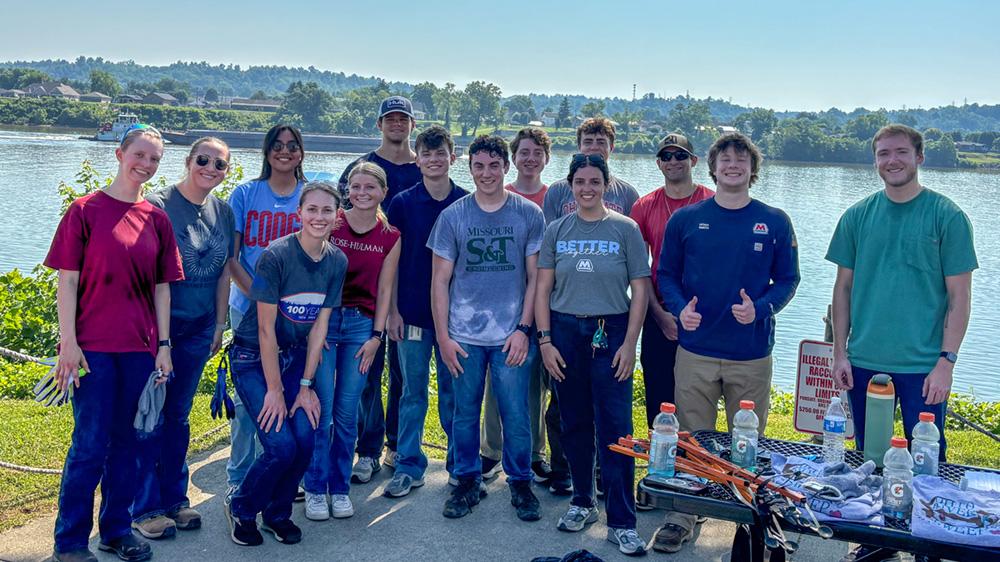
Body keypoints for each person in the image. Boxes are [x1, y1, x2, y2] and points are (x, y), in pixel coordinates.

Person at [827, 124, 977, 562]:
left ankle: (930, 540)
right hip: (866, 360)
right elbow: (842, 290)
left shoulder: (946, 216)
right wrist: (840, 351)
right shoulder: (857, 216)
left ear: (919, 157)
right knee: (870, 458)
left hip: (923, 365)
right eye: (882, 154)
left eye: (900, 153)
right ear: (874, 160)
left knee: (926, 455)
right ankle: (876, 538)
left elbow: (959, 296)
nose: (891, 161)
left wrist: (946, 361)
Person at [46, 124, 183, 562]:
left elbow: (164, 289)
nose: (145, 165)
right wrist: (68, 343)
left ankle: (116, 530)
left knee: (129, 444)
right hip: (92, 350)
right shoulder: (84, 210)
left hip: (139, 350)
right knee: (89, 445)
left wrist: (164, 345)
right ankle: (70, 541)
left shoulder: (157, 219)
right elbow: (67, 282)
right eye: (139, 155)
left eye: (154, 159)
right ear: (120, 154)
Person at [535, 153, 650, 556]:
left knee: (617, 429)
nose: (587, 188)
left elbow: (640, 289)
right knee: (574, 422)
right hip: (565, 330)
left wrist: (629, 343)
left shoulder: (626, 229)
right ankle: (582, 502)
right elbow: (542, 290)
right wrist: (545, 341)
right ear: (570, 185)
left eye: (594, 182)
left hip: (611, 330)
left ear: (606, 185)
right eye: (580, 182)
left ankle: (622, 520)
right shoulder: (557, 230)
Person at [428, 135, 545, 520]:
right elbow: (440, 282)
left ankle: (521, 483)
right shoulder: (454, 216)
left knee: (516, 413)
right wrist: (444, 337)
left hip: (511, 334)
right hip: (463, 336)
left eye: (494, 166)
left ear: (506, 168)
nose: (487, 173)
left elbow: (535, 279)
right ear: (470, 167)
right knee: (464, 413)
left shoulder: (528, 214)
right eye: (479, 166)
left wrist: (524, 330)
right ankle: (465, 481)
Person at [224, 182, 347, 547]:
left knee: (306, 438)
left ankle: (277, 513)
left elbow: (319, 328)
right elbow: (264, 329)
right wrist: (275, 391)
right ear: (299, 214)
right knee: (280, 445)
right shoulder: (274, 256)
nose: (319, 217)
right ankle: (242, 508)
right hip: (252, 358)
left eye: (327, 211)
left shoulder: (337, 261)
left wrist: (306, 387)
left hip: (294, 359)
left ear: (337, 216)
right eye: (312, 210)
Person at [658, 132, 799, 443]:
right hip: (696, 351)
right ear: (713, 167)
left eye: (741, 160)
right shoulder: (685, 219)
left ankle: (743, 492)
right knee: (695, 447)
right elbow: (665, 274)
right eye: (725, 159)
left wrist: (760, 309)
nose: (732, 166)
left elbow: (789, 280)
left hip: (750, 354)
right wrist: (680, 309)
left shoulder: (775, 221)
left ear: (752, 169)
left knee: (746, 447)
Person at [132, 138, 235, 540]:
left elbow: (226, 270)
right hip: (160, 333)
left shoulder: (223, 212)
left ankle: (175, 498)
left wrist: (219, 322)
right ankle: (143, 506)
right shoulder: (158, 205)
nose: (210, 168)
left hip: (199, 329)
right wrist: (160, 340)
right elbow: (146, 275)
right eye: (204, 160)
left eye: (220, 164)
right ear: (189, 161)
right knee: (148, 416)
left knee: (177, 416)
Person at [628, 133, 713, 552]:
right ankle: (660, 475)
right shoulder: (644, 206)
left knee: (695, 404)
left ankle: (695, 486)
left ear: (694, 160)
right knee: (659, 401)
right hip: (659, 317)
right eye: (666, 156)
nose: (674, 161)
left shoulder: (712, 200)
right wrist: (659, 315)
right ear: (659, 163)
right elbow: (638, 268)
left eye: (681, 155)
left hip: (704, 322)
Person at [303, 163, 401, 520]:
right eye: (355, 186)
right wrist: (315, 327)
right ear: (347, 190)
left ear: (382, 193)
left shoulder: (390, 236)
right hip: (326, 324)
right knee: (323, 411)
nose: (361, 193)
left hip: (361, 327)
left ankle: (339, 486)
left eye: (369, 187)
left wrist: (377, 336)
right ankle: (315, 485)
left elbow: (386, 289)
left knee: (347, 413)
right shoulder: (333, 223)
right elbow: (314, 271)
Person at [337, 96, 421, 479]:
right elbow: (340, 221)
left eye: (403, 119)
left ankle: (395, 445)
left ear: (412, 125)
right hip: (364, 292)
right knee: (367, 375)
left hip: (409, 285)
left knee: (404, 375)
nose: (397, 124)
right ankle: (366, 448)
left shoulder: (423, 169)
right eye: (390, 119)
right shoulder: (361, 168)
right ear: (380, 124)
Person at [382, 125, 468, 498]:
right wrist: (392, 311)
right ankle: (408, 464)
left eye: (441, 153)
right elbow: (392, 260)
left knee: (454, 392)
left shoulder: (466, 202)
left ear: (453, 156)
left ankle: (458, 463)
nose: (434, 160)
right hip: (413, 313)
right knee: (412, 391)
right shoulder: (402, 202)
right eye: (427, 154)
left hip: (456, 318)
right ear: (417, 159)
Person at [479, 127, 566, 488]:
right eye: (524, 152)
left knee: (533, 385)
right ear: (513, 158)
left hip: (542, 300)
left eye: (537, 153)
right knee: (494, 383)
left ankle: (534, 453)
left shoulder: (555, 198)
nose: (530, 159)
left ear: (546, 158)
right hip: (499, 304)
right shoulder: (497, 192)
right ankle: (491, 450)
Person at [225, 125, 306, 500]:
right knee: (248, 399)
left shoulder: (310, 196)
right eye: (277, 146)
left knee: (288, 392)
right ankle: (239, 475)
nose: (284, 152)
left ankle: (275, 474)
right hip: (247, 309)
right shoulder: (245, 194)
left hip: (297, 317)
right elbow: (231, 256)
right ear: (267, 151)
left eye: (292, 146)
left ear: (301, 152)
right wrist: (260, 296)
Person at [543, 117, 639, 222]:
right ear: (579, 146)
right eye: (588, 142)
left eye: (601, 142)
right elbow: (548, 234)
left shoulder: (627, 194)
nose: (594, 147)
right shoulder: (557, 191)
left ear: (611, 148)